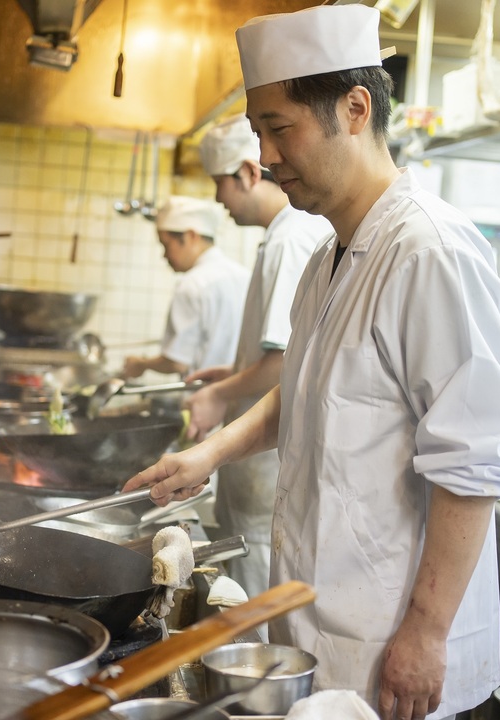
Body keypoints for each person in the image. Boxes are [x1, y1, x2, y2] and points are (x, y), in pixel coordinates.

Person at [123, 6, 500, 720]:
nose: (269, 156)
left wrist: (427, 631)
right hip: (322, 620)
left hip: (395, 640)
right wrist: (210, 454)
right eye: (259, 134)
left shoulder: (430, 251)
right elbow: (304, 392)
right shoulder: (327, 257)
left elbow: (477, 461)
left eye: (280, 129)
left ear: (354, 108)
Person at [184, 115, 333, 597]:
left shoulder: (291, 239)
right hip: (253, 468)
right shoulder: (282, 236)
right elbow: (281, 352)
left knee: (251, 607)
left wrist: (217, 394)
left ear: (249, 174)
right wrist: (232, 373)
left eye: (219, 184)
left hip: (266, 472)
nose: (218, 200)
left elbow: (284, 363)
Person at [122, 196, 250, 379]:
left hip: (203, 397)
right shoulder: (243, 274)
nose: (164, 255)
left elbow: (177, 362)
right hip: (241, 394)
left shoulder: (192, 284)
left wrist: (141, 364)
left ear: (190, 236)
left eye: (166, 245)